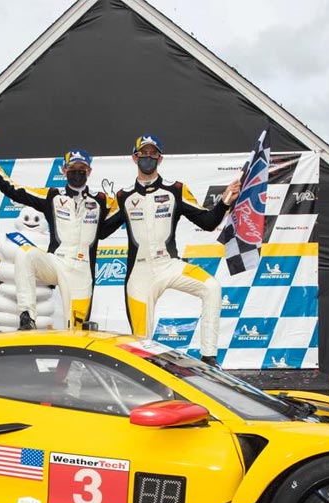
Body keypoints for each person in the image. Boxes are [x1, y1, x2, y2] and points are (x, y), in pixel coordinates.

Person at [101, 134, 240, 366]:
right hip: (139, 274)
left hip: (169, 265)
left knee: (212, 288)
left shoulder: (175, 190)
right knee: (140, 343)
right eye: (143, 154)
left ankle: (209, 358)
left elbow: (207, 222)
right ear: (134, 158)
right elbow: (102, 231)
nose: (148, 158)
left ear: (160, 158)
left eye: (152, 154)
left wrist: (225, 201)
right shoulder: (124, 196)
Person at [0, 134, 116, 330]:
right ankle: (27, 317)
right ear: (63, 170)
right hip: (57, 262)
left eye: (82, 169)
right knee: (26, 253)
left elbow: (126, 211)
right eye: (72, 169)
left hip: (82, 271)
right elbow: (13, 190)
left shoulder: (101, 201)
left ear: (89, 171)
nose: (77, 173)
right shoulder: (52, 196)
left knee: (76, 331)